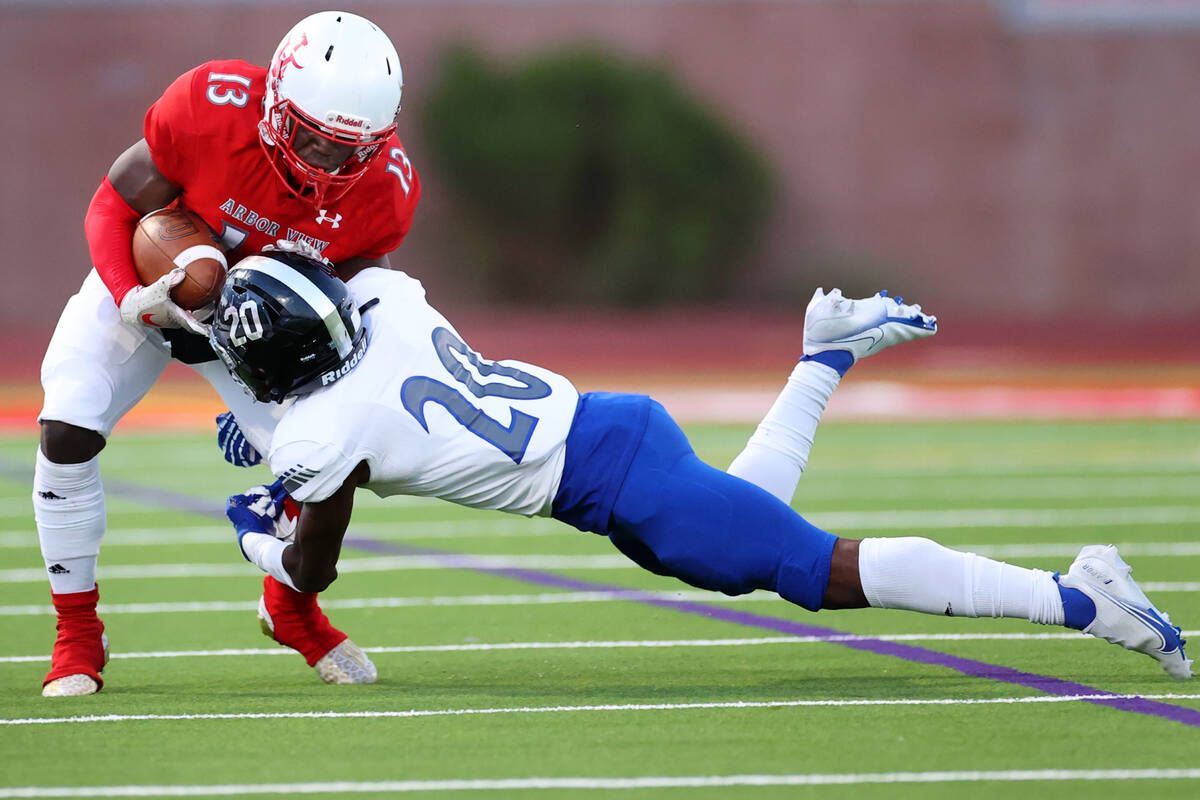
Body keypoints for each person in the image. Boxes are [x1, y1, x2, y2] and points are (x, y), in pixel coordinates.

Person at [213, 251, 1192, 682]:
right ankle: (826, 351)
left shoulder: (318, 429)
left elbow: (313, 567)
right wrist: (279, 453)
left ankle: (1080, 596)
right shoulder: (386, 297)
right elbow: (349, 406)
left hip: (618, 483)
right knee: (739, 540)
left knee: (817, 569)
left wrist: (261, 536)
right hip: (616, 432)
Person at [35, 10, 420, 697]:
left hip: (252, 334)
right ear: (275, 102)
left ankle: (290, 608)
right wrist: (130, 296)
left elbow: (360, 302)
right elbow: (113, 202)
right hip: (150, 287)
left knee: (337, 459)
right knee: (67, 425)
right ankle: (77, 634)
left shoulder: (382, 185)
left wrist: (296, 390)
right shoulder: (209, 108)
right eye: (313, 139)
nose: (329, 164)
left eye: (348, 149)